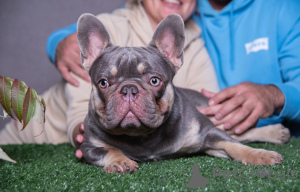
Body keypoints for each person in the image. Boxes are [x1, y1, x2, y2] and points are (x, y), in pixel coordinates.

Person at [0, 0, 219, 147]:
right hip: (29, 141)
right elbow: (81, 118)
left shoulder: (194, 44)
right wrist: (91, 139)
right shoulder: (108, 29)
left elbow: (209, 114)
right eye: (107, 82)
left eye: (153, 80)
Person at [193, 0, 300, 136]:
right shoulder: (181, 9)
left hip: (283, 137)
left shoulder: (285, 7)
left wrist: (272, 95)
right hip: (207, 135)